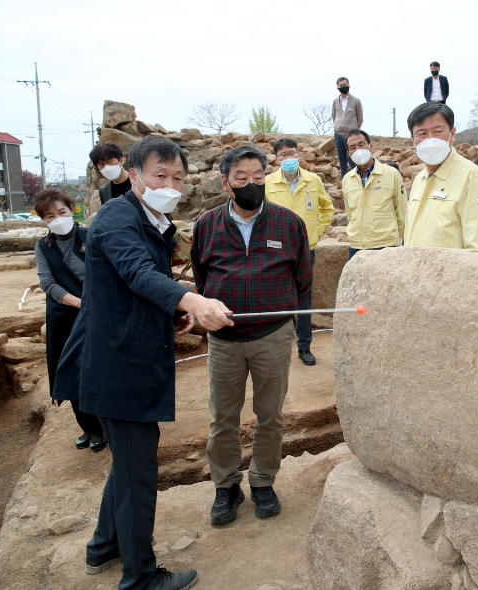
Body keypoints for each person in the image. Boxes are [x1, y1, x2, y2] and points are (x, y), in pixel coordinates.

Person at [54, 135, 232, 590]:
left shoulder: (152, 217)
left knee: (129, 465)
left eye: (178, 177)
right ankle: (141, 578)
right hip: (118, 364)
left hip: (130, 354)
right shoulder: (117, 216)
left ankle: (104, 545)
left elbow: (132, 288)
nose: (170, 184)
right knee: (138, 477)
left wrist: (174, 310)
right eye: (160, 175)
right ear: (134, 175)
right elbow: (136, 271)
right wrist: (193, 297)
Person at [190, 145, 312, 526]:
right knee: (223, 417)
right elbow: (200, 280)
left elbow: (302, 279)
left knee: (270, 415)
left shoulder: (289, 223)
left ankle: (262, 481)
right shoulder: (206, 225)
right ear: (226, 183)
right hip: (224, 341)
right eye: (241, 178)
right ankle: (226, 486)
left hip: (272, 336)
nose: (251, 184)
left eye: (258, 176)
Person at [34, 188, 106, 452]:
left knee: (94, 370)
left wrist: (93, 302)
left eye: (61, 212)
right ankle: (87, 427)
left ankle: (103, 426)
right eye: (50, 216)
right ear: (44, 220)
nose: (57, 219)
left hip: (98, 313)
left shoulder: (91, 235)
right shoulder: (43, 247)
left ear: (71, 210)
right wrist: (77, 302)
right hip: (64, 316)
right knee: (69, 370)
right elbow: (47, 282)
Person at [265, 138, 334, 366]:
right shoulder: (267, 183)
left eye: (291, 153)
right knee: (275, 297)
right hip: (277, 249)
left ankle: (304, 346)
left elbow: (327, 208)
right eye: (283, 155)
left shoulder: (313, 180)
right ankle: (275, 346)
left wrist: (317, 232)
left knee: (304, 298)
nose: (288, 158)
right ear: (276, 159)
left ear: (298, 155)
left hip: (306, 249)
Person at [404, 102, 478, 249]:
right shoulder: (420, 179)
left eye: (438, 131)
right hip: (416, 270)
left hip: (450, 271)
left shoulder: (471, 176)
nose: (430, 140)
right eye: (422, 134)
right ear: (413, 140)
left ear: (452, 134)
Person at [342, 129, 407, 258]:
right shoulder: (347, 179)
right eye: (352, 147)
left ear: (370, 146)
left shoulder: (391, 174)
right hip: (357, 246)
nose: (358, 150)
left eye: (361, 145)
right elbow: (350, 213)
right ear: (349, 153)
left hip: (386, 245)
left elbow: (402, 209)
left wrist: (393, 236)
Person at [331, 77, 363, 178]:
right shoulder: (335, 101)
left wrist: (353, 130)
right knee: (342, 159)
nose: (343, 87)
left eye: (345, 85)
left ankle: (357, 178)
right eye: (341, 85)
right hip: (338, 133)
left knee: (352, 158)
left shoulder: (356, 101)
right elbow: (334, 116)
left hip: (350, 134)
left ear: (349, 85)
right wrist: (337, 126)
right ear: (337, 88)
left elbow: (360, 118)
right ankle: (345, 180)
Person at [89, 141, 132, 205]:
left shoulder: (139, 183)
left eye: (109, 161)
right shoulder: (104, 192)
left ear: (121, 160)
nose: (106, 167)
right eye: (101, 164)